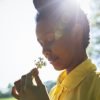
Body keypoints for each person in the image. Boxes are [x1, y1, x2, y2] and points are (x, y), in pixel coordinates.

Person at [12, 0, 100, 100]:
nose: (44, 51)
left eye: (50, 39)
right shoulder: (53, 92)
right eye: (41, 44)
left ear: (76, 34)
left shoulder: (97, 86)